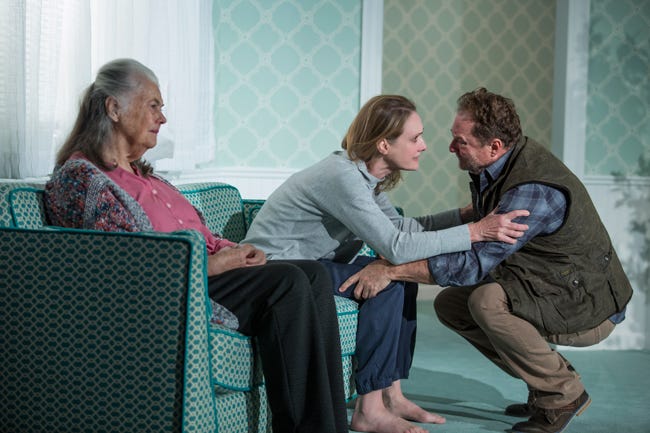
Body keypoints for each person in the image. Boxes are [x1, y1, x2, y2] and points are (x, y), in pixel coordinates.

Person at [43, 58, 349, 433]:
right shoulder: (82, 178)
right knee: (287, 282)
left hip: (206, 271)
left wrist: (234, 250)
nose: (162, 118)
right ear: (114, 108)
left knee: (313, 275)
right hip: (175, 289)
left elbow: (202, 235)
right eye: (153, 105)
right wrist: (217, 264)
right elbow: (126, 263)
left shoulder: (149, 177)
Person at [339, 88, 633, 433]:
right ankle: (547, 379)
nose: (449, 148)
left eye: (459, 141)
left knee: (486, 300)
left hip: (585, 306)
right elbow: (472, 230)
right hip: (550, 283)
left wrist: (392, 270)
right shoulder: (502, 164)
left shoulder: (532, 190)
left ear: (493, 146)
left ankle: (560, 393)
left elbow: (470, 265)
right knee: (452, 305)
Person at [243, 94, 530, 433]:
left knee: (398, 275)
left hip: (311, 264)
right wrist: (476, 232)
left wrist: (463, 216)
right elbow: (396, 246)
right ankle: (369, 409)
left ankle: (392, 395)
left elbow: (400, 229)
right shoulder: (342, 177)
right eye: (414, 138)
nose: (423, 145)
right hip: (277, 271)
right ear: (383, 144)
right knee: (389, 277)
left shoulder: (365, 177)